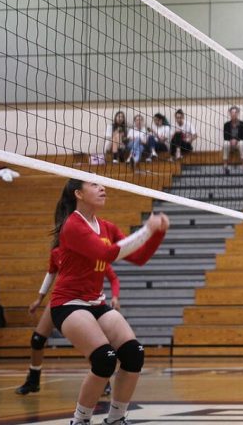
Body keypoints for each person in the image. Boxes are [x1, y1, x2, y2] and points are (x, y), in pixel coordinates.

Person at [51, 179, 168, 425]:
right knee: (104, 359)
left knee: (134, 354)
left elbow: (138, 257)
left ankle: (116, 419)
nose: (102, 188)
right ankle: (80, 420)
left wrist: (158, 234)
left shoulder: (106, 226)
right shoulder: (72, 225)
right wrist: (147, 229)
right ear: (78, 193)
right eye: (94, 185)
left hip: (96, 303)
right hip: (69, 303)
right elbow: (106, 254)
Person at [16, 247, 120, 395]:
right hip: (61, 299)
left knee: (91, 345)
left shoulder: (90, 250)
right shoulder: (57, 252)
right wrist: (39, 299)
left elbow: (112, 277)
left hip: (84, 301)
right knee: (37, 339)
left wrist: (115, 297)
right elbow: (51, 273)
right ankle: (33, 380)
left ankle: (103, 381)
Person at [222, 105, 243, 172]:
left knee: (242, 143)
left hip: (239, 143)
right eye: (232, 113)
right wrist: (231, 140)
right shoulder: (226, 125)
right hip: (230, 143)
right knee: (225, 143)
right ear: (229, 114)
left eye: (235, 112)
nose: (234, 114)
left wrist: (236, 140)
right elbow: (225, 136)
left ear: (238, 113)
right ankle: (225, 165)